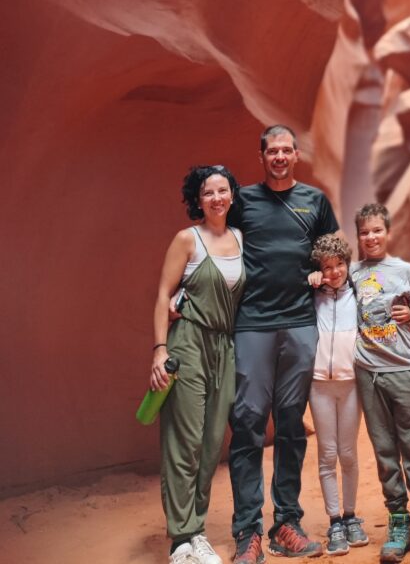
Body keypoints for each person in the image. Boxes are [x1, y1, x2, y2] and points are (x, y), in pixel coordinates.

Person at [229, 125, 339, 563]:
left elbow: (334, 256)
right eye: (271, 150)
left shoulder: (314, 201)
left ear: (297, 154)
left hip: (299, 322)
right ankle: (247, 531)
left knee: (292, 423)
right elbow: (216, 248)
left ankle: (286, 523)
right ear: (261, 157)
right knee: (248, 420)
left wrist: (328, 273)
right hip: (253, 323)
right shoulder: (243, 202)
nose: (279, 156)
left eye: (285, 150)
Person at [151, 165, 245, 564]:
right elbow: (162, 297)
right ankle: (181, 540)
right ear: (198, 199)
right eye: (208, 193)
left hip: (225, 348)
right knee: (184, 442)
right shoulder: (186, 240)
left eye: (223, 191)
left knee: (210, 445)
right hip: (188, 343)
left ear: (232, 196)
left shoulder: (242, 239)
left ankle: (197, 531)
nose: (217, 198)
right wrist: (159, 350)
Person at [351, 203, 410, 564]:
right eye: (364, 232)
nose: (371, 237)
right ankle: (398, 524)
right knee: (385, 454)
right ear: (357, 236)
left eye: (377, 230)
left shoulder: (404, 270)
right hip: (368, 374)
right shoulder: (353, 273)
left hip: (403, 372)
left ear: (387, 233)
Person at [306, 234, 369, 556]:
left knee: (348, 453)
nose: (333, 272)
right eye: (326, 267)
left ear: (347, 263)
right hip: (319, 386)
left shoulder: (357, 295)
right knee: (327, 455)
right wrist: (309, 282)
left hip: (350, 385)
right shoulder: (311, 297)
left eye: (339, 264)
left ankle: (350, 515)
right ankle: (334, 522)